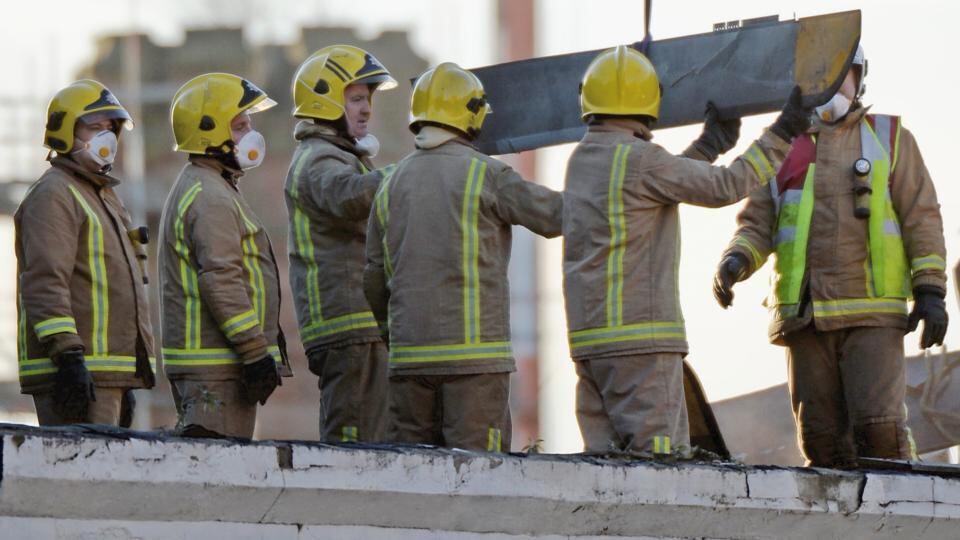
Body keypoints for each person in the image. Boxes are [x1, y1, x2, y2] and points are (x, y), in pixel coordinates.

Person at [563, 45, 806, 456]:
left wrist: (709, 145)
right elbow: (724, 186)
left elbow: (654, 185)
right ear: (650, 100)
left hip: (591, 346)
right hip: (642, 347)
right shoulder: (641, 160)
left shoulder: (584, 160)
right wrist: (781, 134)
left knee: (601, 469)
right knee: (660, 466)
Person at [713, 46, 947, 467]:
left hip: (871, 315)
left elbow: (921, 218)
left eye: (845, 75)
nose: (835, 86)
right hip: (805, 318)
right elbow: (756, 224)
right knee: (820, 442)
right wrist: (737, 260)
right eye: (822, 75)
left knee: (881, 432)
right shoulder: (780, 148)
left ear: (861, 80)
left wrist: (930, 291)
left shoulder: (890, 138)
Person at [363, 62, 563, 452]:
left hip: (408, 365)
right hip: (475, 368)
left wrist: (393, 335)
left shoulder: (390, 185)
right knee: (480, 482)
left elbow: (373, 276)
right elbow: (557, 216)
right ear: (471, 114)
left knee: (412, 478)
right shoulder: (486, 174)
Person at [15, 80, 156, 426]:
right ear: (65, 132)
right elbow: (46, 281)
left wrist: (126, 377)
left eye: (111, 129)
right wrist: (68, 358)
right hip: (76, 373)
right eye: (95, 127)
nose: (106, 137)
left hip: (106, 375)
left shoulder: (101, 196)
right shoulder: (54, 195)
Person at [159, 73, 291, 439]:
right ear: (209, 130)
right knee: (217, 478)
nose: (251, 135)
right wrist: (254, 351)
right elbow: (221, 279)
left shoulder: (211, 187)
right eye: (240, 125)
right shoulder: (211, 196)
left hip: (213, 367)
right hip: (214, 370)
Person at [286, 45, 397, 442]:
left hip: (359, 323)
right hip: (346, 324)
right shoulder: (317, 159)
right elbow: (348, 196)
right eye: (355, 99)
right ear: (326, 102)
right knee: (353, 444)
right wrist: (410, 173)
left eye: (367, 99)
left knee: (371, 436)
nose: (366, 109)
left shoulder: (341, 156)